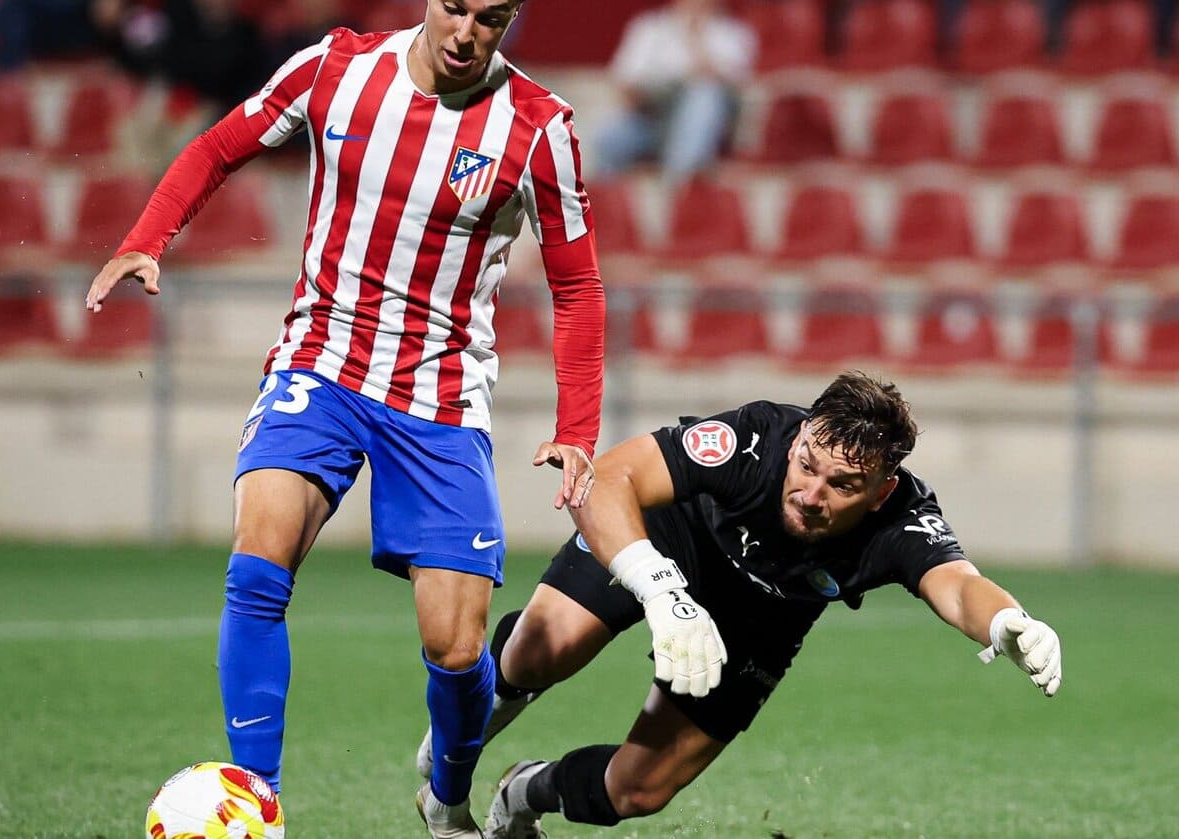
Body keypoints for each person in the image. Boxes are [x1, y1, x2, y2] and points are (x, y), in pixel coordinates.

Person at [85, 2, 606, 836]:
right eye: (456, 7)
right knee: (259, 554)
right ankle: (256, 800)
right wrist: (151, 233)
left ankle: (449, 794)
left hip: (439, 396)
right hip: (320, 365)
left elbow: (578, 285)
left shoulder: (541, 128)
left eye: (493, 16)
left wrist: (578, 425)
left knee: (458, 648)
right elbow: (223, 144)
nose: (469, 32)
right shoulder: (336, 69)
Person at [416, 370, 1063, 836]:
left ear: (881, 489)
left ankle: (523, 790)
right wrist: (658, 585)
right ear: (801, 435)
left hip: (761, 620)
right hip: (675, 539)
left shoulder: (900, 518)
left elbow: (955, 581)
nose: (812, 491)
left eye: (842, 484)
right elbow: (607, 477)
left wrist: (1008, 619)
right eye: (807, 463)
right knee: (539, 650)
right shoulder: (756, 438)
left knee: (638, 791)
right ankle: (458, 734)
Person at [593, 0, 757, 184]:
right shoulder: (649, 27)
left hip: (707, 124)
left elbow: (733, 86)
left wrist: (694, 38)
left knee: (704, 96)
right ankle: (607, 204)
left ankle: (677, 187)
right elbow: (624, 80)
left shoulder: (733, 33)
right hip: (652, 116)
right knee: (611, 136)